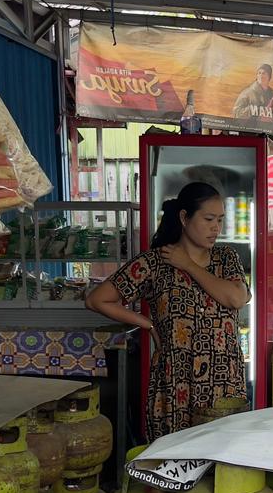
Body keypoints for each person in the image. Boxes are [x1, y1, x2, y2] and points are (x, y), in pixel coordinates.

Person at [86, 182, 251, 441]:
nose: (216, 228)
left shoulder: (225, 258)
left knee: (222, 461)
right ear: (184, 217)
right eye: (208, 219)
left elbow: (236, 298)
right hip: (175, 383)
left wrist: (188, 265)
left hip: (224, 383)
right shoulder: (154, 263)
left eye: (219, 220)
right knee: (175, 458)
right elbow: (97, 300)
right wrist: (147, 324)